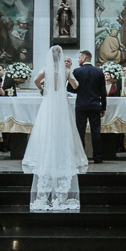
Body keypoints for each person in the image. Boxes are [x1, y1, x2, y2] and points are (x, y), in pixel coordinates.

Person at [23, 46, 89, 211]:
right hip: (61, 102)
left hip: (49, 101)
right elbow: (75, 86)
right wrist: (69, 75)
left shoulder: (46, 69)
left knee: (46, 127)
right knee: (63, 129)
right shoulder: (66, 70)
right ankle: (61, 152)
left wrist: (43, 88)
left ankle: (46, 152)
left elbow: (36, 80)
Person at [71, 50, 107, 163]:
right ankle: (97, 156)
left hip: (81, 105)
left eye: (79, 58)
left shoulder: (77, 71)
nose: (78, 60)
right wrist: (103, 107)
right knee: (96, 131)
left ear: (84, 58)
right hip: (95, 105)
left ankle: (81, 156)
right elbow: (103, 92)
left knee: (80, 131)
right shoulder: (99, 72)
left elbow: (70, 89)